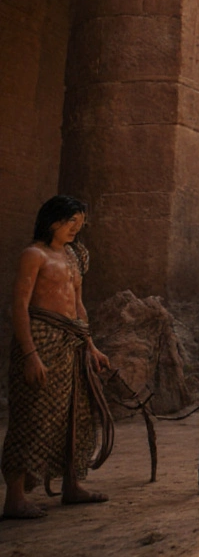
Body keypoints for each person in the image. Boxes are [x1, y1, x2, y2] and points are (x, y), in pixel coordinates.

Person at [3, 195, 113, 519]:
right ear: (53, 221)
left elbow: (78, 304)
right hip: (41, 340)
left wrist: (90, 345)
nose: (75, 230)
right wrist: (30, 355)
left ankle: (72, 485)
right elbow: (19, 306)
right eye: (70, 223)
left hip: (71, 342)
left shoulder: (74, 256)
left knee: (76, 416)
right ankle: (15, 498)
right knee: (32, 416)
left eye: (79, 225)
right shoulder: (33, 255)